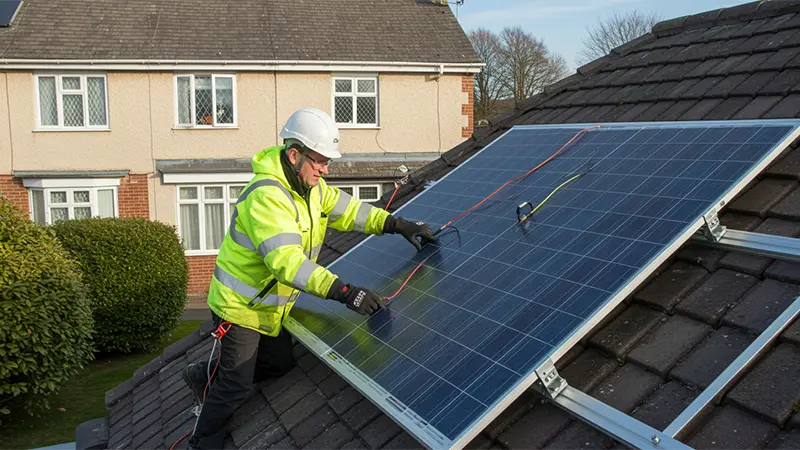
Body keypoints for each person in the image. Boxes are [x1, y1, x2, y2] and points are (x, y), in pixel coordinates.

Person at [182, 107, 436, 449]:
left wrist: (397, 224)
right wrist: (345, 292)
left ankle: (205, 372)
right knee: (237, 383)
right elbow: (288, 264)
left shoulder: (311, 188)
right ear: (293, 154)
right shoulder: (267, 198)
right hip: (239, 306)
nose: (325, 169)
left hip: (269, 309)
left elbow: (352, 211)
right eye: (319, 161)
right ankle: (202, 439)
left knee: (280, 363)